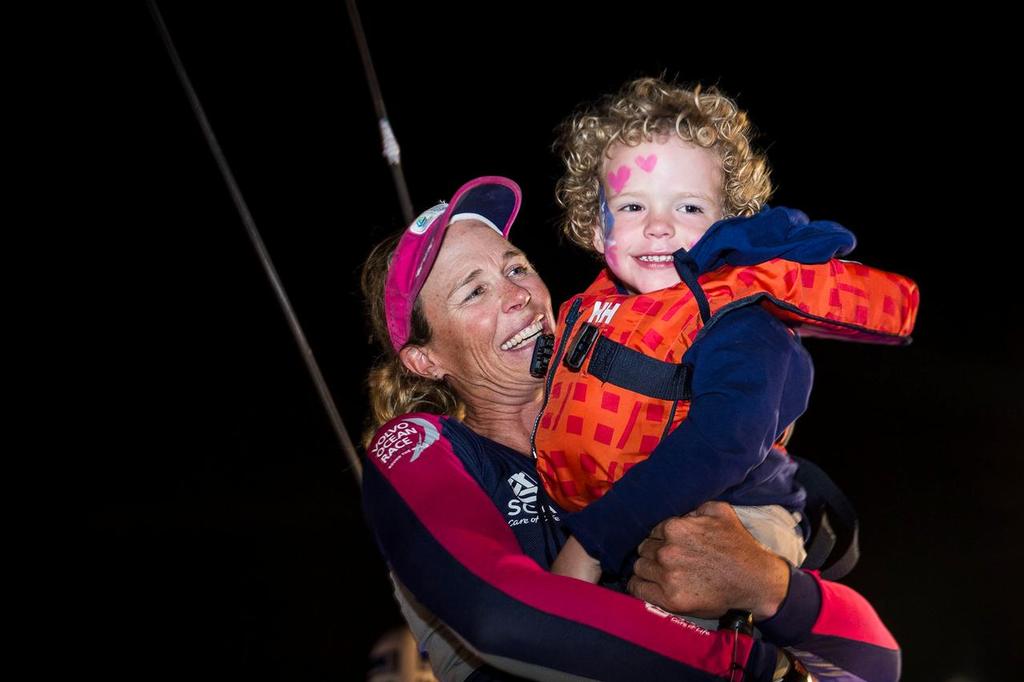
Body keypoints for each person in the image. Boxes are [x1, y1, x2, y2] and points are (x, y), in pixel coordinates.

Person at [360, 176, 900, 681]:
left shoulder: (662, 434)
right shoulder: (421, 448)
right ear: (424, 361)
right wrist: (750, 667)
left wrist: (769, 586)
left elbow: (877, 658)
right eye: (473, 292)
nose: (517, 295)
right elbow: (500, 618)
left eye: (516, 267)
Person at [538, 77, 919, 583]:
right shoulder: (592, 312)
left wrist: (591, 543)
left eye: (689, 207)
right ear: (596, 227)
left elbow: (724, 443)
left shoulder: (741, 325)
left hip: (737, 520)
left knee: (681, 583)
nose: (659, 226)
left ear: (727, 225)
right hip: (612, 524)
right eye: (632, 206)